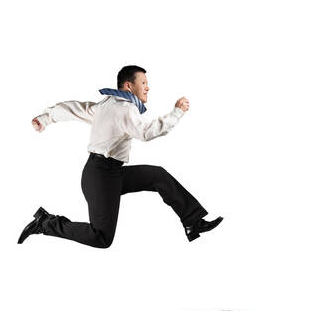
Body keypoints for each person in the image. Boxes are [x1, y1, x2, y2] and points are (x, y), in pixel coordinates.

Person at [18, 65, 223, 247]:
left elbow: (74, 109)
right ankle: (45, 223)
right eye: (143, 82)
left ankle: (192, 221)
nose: (147, 87)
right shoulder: (124, 109)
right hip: (101, 178)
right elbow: (145, 133)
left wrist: (46, 117)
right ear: (128, 86)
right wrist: (176, 112)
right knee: (101, 238)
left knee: (158, 176)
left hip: (107, 173)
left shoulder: (106, 105)